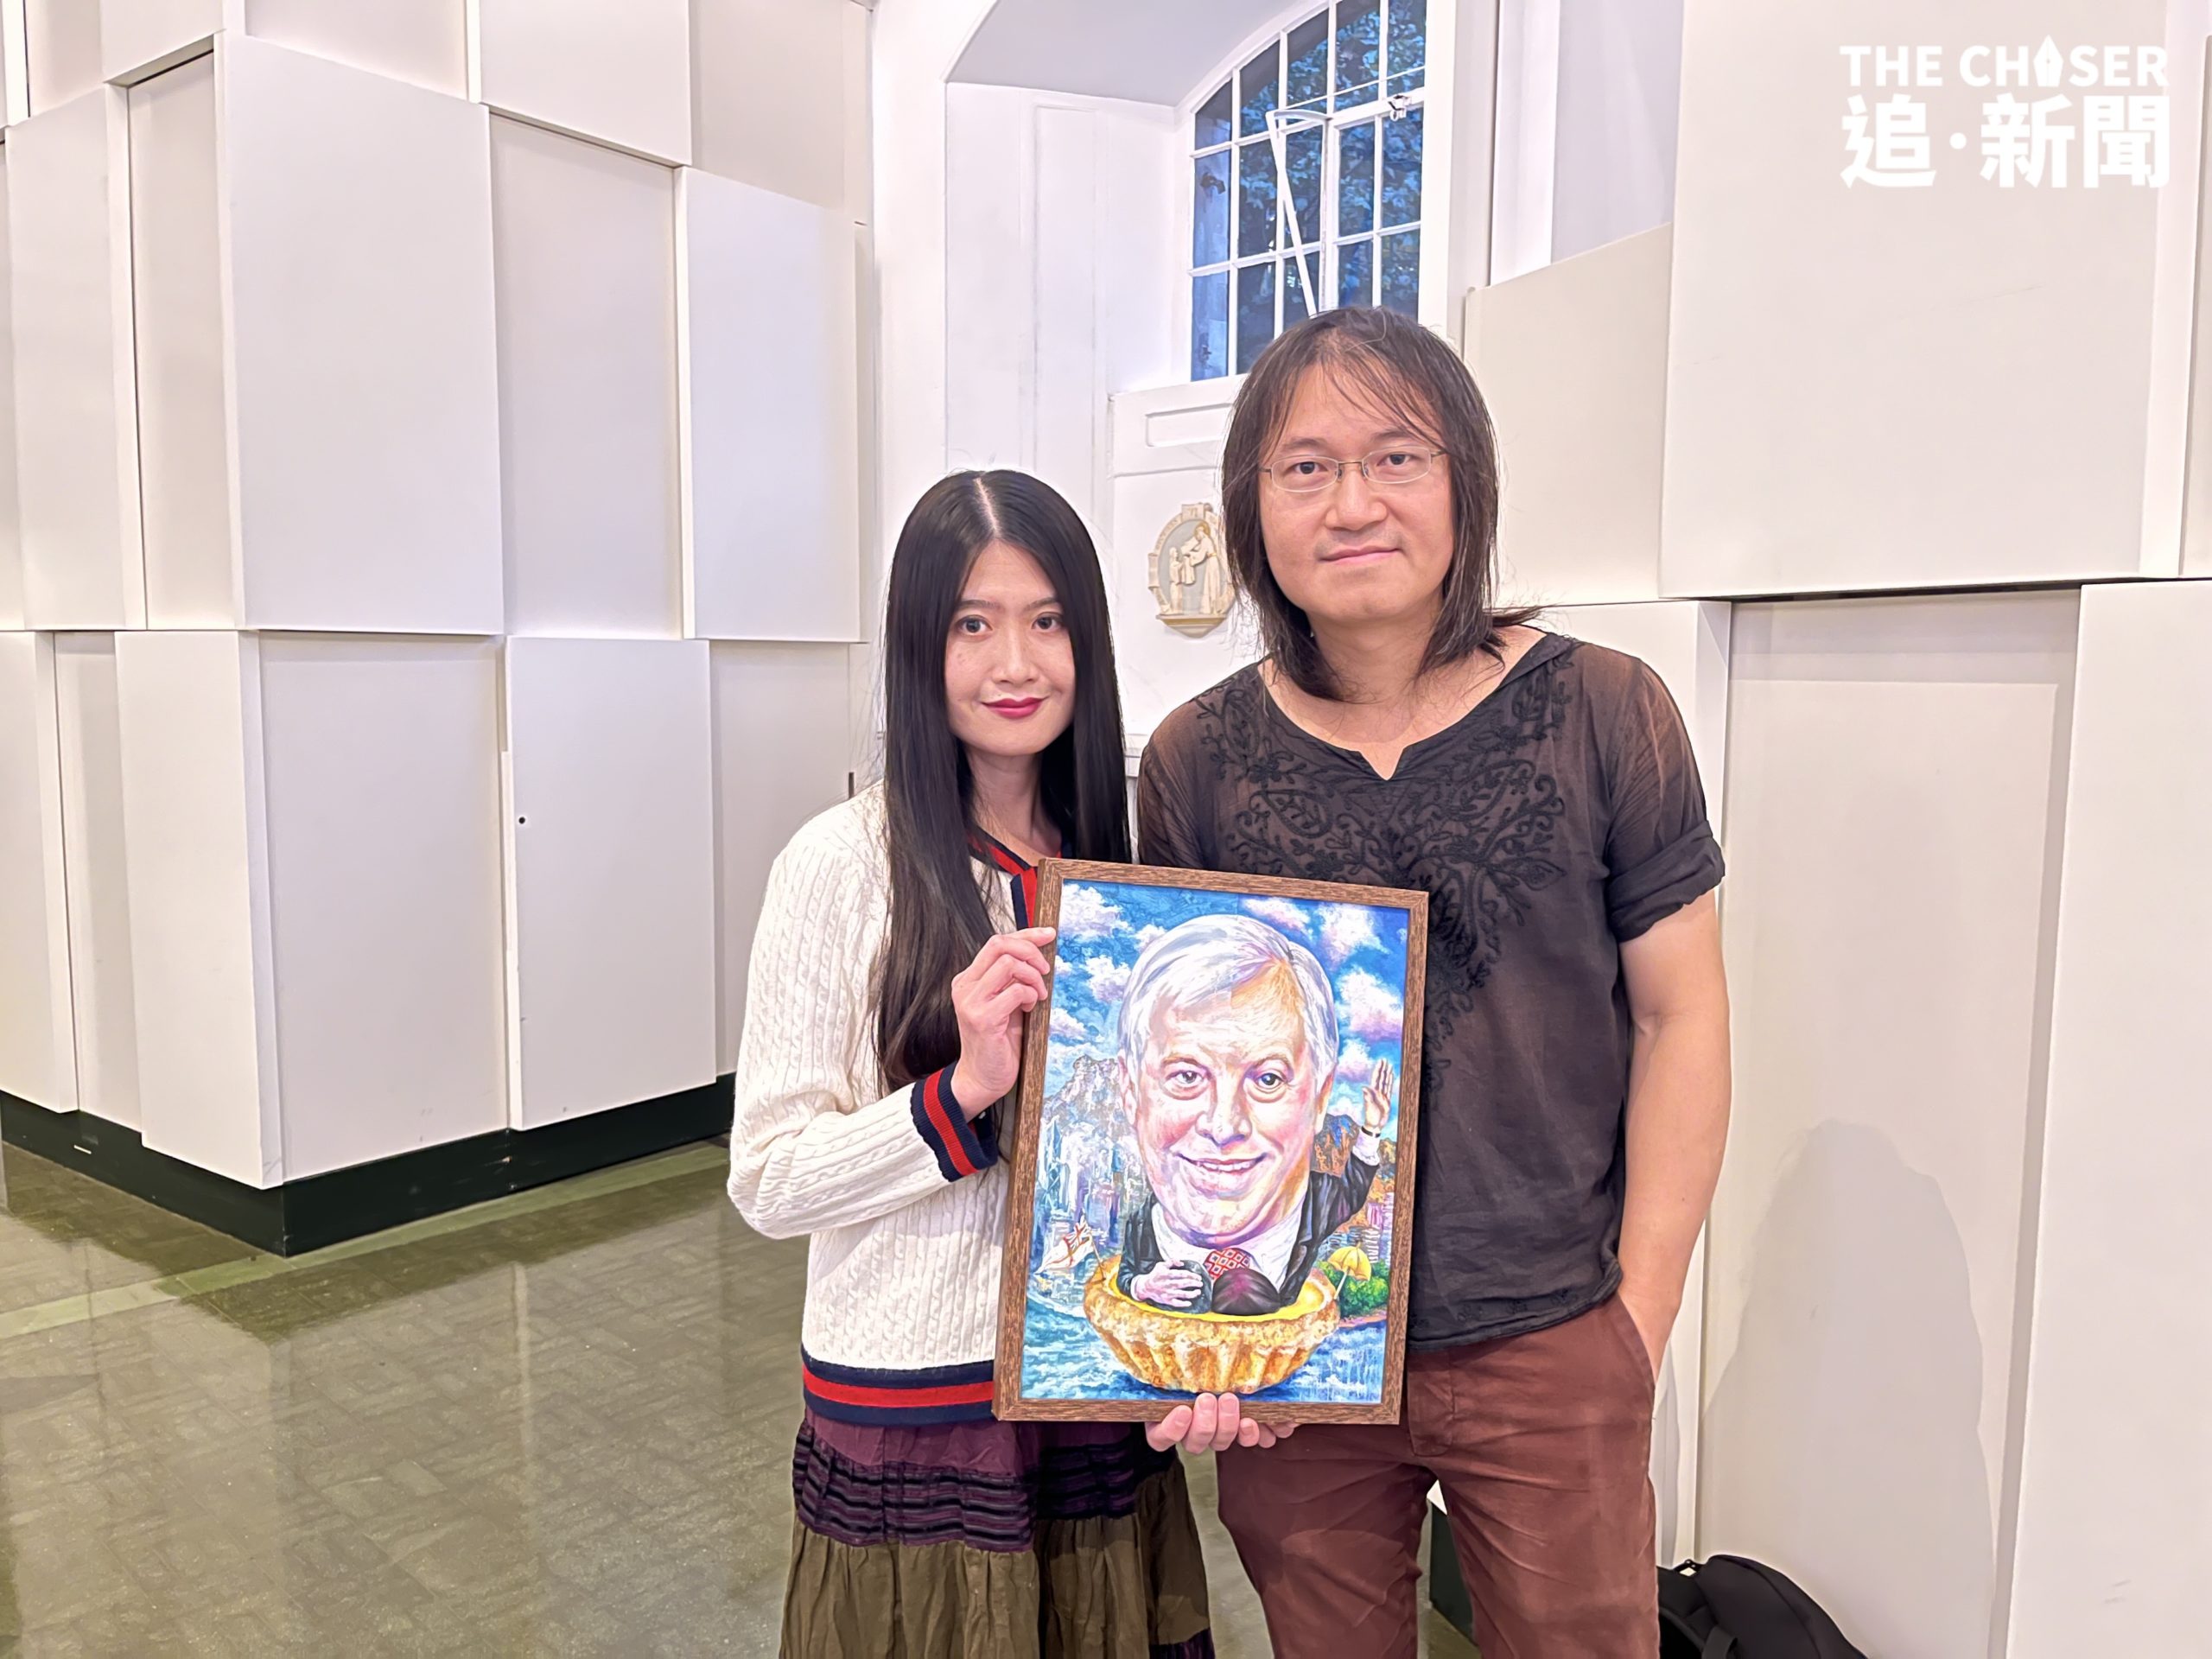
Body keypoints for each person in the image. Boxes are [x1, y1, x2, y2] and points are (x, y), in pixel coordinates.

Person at [1137, 307, 1732, 1656]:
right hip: (1298, 1349)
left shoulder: (1608, 710)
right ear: (1253, 510)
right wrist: (1211, 1334)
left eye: (1397, 458)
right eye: (1305, 468)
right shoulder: (1196, 760)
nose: (1352, 504)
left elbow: (1682, 1015)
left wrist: (1638, 1318)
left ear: (1467, 482)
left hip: (1553, 1328)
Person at [729, 471, 1262, 1657]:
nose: (1014, 663)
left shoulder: (1125, 865)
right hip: (919, 1414)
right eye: (972, 624)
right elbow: (768, 1178)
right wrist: (961, 1095)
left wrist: (1203, 1338)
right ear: (919, 646)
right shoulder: (840, 865)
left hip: (1089, 1395)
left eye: (1047, 620)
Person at [1111, 914, 1390, 1316]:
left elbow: (1354, 1187)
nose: (1224, 1127)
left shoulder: (1320, 1206)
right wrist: (1142, 1284)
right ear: (1130, 1090)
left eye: (1268, 1079)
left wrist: (1372, 1130)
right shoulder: (1142, 1228)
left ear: (1320, 1097)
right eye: (1186, 1076)